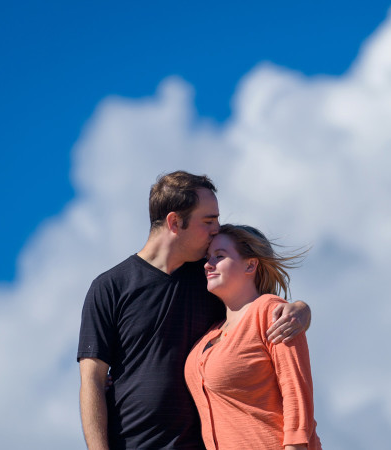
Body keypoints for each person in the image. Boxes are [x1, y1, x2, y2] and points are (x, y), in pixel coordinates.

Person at [77, 171, 311, 450]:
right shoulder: (110, 287)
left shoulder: (211, 279)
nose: (216, 228)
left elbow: (257, 310)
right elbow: (92, 380)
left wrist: (300, 309)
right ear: (175, 222)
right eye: (208, 220)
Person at [185, 224, 321, 450]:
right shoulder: (208, 334)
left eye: (220, 256)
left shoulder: (272, 312)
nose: (208, 264)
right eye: (208, 257)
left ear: (250, 265)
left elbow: (297, 398)